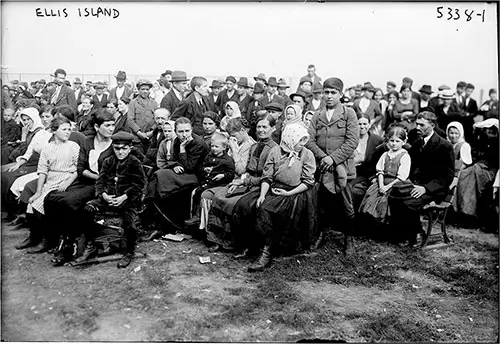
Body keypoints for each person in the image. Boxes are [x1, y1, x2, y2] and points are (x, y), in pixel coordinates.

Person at [41, 110, 116, 265]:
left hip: (105, 187)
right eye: (107, 125)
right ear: (96, 126)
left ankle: (71, 245)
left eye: (113, 125)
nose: (111, 128)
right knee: (51, 198)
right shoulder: (88, 142)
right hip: (87, 182)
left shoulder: (116, 144)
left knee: (70, 202)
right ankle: (62, 239)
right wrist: (96, 176)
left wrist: (101, 178)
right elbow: (81, 169)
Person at [247, 123, 317, 272]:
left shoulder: (307, 154)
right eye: (300, 141)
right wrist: (262, 195)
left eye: (304, 141)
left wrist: (289, 193)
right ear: (290, 139)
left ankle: (273, 250)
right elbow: (267, 176)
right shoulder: (275, 151)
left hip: (297, 191)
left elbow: (308, 181)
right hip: (276, 188)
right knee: (261, 206)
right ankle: (263, 248)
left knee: (284, 212)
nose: (302, 144)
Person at [206, 113, 278, 253]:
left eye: (265, 127)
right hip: (248, 181)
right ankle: (217, 239)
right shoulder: (254, 146)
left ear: (273, 128)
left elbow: (268, 176)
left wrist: (244, 181)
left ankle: (236, 243)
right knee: (219, 196)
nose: (261, 130)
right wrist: (239, 181)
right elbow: (246, 170)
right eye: (259, 127)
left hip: (262, 185)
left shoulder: (274, 149)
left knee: (235, 204)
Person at [305, 77, 359, 252]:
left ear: (340, 94)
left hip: (343, 168)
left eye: (333, 93)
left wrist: (333, 159)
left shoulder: (349, 113)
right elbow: (309, 141)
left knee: (347, 205)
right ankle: (321, 234)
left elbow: (352, 141)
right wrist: (324, 158)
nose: (329, 96)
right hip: (322, 168)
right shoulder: (317, 115)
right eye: (326, 93)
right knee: (322, 203)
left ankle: (349, 238)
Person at [79, 131, 147, 268]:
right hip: (108, 198)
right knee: (87, 209)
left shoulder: (135, 163)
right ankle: (92, 243)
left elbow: (139, 184)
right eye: (117, 148)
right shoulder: (108, 161)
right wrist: (103, 194)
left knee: (131, 224)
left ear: (130, 148)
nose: (120, 152)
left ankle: (129, 251)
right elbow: (100, 181)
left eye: (124, 148)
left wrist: (124, 197)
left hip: (128, 200)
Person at [389, 111, 454, 247]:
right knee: (394, 196)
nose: (417, 128)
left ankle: (416, 233)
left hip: (435, 189)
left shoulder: (444, 145)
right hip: (417, 185)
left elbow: (447, 176)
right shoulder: (418, 143)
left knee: (409, 203)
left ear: (433, 125)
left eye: (421, 125)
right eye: (417, 124)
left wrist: (425, 188)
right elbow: (412, 167)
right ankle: (402, 233)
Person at [15, 116, 80, 252]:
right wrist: (38, 191)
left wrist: (67, 183)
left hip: (67, 179)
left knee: (43, 204)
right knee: (32, 202)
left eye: (69, 129)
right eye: (64, 129)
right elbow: (43, 171)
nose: (68, 132)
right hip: (51, 180)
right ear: (54, 131)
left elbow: (77, 169)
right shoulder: (47, 148)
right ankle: (34, 237)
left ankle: (48, 241)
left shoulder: (73, 146)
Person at [145, 117, 209, 234]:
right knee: (158, 174)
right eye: (180, 132)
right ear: (176, 131)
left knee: (161, 175)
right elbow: (172, 159)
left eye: (187, 131)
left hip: (196, 175)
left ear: (191, 130)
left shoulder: (198, 144)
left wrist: (182, 149)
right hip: (181, 171)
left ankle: (160, 217)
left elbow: (190, 167)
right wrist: (174, 165)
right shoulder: (176, 141)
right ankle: (151, 209)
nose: (184, 135)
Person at [193, 118, 256, 231]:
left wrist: (234, 150)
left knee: (208, 195)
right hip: (225, 177)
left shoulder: (250, 145)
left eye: (234, 135)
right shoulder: (237, 142)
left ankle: (211, 229)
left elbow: (241, 170)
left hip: (238, 180)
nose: (232, 138)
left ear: (242, 131)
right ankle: (203, 226)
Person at [359, 126, 411, 223]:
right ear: (388, 141)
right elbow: (380, 172)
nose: (394, 144)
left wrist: (387, 187)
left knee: (385, 201)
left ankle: (386, 224)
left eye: (397, 141)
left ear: (403, 142)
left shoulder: (405, 156)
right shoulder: (385, 154)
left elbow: (402, 177)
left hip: (396, 184)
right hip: (382, 182)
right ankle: (372, 224)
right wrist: (381, 185)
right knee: (371, 195)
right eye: (392, 141)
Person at [453, 118, 499, 229]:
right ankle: (463, 212)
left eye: (490, 130)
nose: (488, 133)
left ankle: (469, 214)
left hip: (491, 171)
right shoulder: (482, 141)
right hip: (478, 168)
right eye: (486, 130)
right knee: (463, 175)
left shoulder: (497, 143)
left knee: (472, 177)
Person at [186, 133, 235, 226]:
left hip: (220, 184)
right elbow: (201, 167)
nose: (214, 148)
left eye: (217, 146)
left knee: (202, 194)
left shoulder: (227, 160)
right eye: (212, 146)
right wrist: (205, 169)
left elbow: (231, 174)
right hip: (208, 182)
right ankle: (195, 215)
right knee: (196, 192)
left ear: (224, 147)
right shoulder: (209, 156)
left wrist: (223, 175)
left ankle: (199, 216)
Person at [351, 114, 384, 210]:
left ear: (369, 125)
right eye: (359, 124)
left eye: (365, 124)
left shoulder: (377, 140)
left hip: (370, 174)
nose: (362, 127)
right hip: (353, 173)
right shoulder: (350, 139)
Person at [127, 79, 159, 147]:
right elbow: (130, 120)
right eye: (142, 89)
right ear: (138, 90)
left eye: (147, 89)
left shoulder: (154, 103)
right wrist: (139, 133)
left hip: (151, 138)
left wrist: (152, 131)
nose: (145, 91)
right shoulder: (133, 103)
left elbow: (158, 119)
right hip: (137, 139)